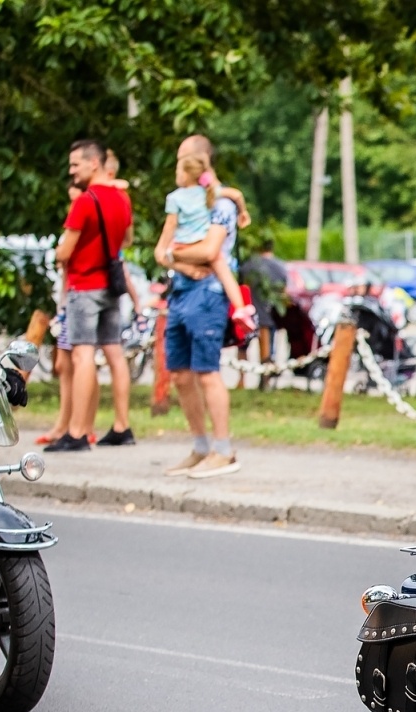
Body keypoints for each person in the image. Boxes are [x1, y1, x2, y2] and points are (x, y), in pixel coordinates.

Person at [154, 133, 242, 479]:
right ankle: (201, 446)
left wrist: (175, 253)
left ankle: (224, 450)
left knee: (208, 373)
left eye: (182, 158)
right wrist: (176, 259)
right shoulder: (181, 202)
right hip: (180, 292)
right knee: (180, 373)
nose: (177, 165)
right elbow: (159, 252)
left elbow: (210, 252)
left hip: (208, 293)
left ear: (200, 161)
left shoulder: (221, 204)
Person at [49, 139, 133, 452]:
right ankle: (122, 425)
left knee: (83, 354)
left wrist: (59, 251)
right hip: (111, 285)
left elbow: (65, 252)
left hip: (84, 285)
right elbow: (126, 236)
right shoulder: (122, 199)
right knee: (113, 351)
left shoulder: (85, 201)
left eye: (75, 164)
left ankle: (78, 431)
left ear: (93, 163)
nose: (72, 171)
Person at [156, 154, 256, 334]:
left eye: (178, 171)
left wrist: (164, 247)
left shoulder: (174, 197)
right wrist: (243, 213)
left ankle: (189, 270)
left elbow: (170, 224)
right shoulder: (208, 193)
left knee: (170, 257)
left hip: (182, 244)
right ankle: (241, 307)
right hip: (201, 243)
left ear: (185, 175)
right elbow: (236, 194)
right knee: (223, 269)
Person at [240, 237, 288, 367]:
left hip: (249, 312)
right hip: (269, 314)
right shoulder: (281, 267)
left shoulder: (248, 265)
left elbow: (242, 288)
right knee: (269, 349)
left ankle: (242, 378)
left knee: (243, 347)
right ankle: (265, 379)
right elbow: (284, 292)